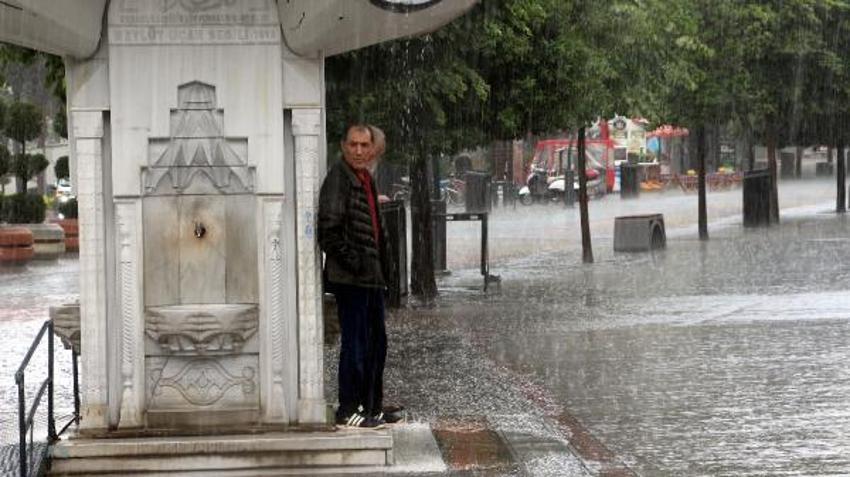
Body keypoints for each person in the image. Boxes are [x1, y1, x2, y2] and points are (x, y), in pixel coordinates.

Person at [319, 123, 392, 428]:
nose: (359, 151)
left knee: (377, 342)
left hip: (369, 278)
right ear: (343, 146)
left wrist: (380, 270)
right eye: (353, 145)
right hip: (351, 279)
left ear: (372, 148)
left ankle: (371, 405)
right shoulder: (339, 178)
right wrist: (356, 263)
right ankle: (349, 408)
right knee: (356, 344)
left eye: (364, 145)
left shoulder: (364, 178)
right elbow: (329, 231)